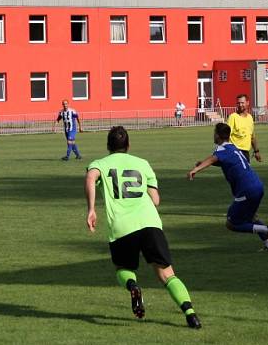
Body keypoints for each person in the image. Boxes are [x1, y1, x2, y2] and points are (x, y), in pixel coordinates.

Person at [84, 126, 201, 328]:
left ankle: (133, 286)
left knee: (124, 268)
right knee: (166, 273)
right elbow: (155, 200)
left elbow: (90, 177)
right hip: (150, 223)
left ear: (108, 146)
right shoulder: (142, 163)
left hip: (122, 226)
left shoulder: (100, 164)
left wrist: (91, 209)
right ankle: (190, 314)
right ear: (129, 145)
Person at [188, 123, 268, 251]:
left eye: (214, 132)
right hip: (258, 186)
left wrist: (196, 169)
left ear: (217, 135)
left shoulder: (221, 149)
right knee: (251, 217)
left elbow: (213, 159)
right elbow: (224, 162)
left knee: (232, 223)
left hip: (246, 190)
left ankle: (266, 229)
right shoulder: (233, 148)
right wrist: (203, 164)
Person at [226, 94, 261, 163]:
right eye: (238, 103)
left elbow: (252, 137)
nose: (240, 105)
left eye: (242, 103)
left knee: (245, 173)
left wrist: (256, 151)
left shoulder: (250, 118)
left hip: (245, 153)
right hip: (235, 152)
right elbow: (226, 136)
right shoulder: (233, 117)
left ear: (247, 103)